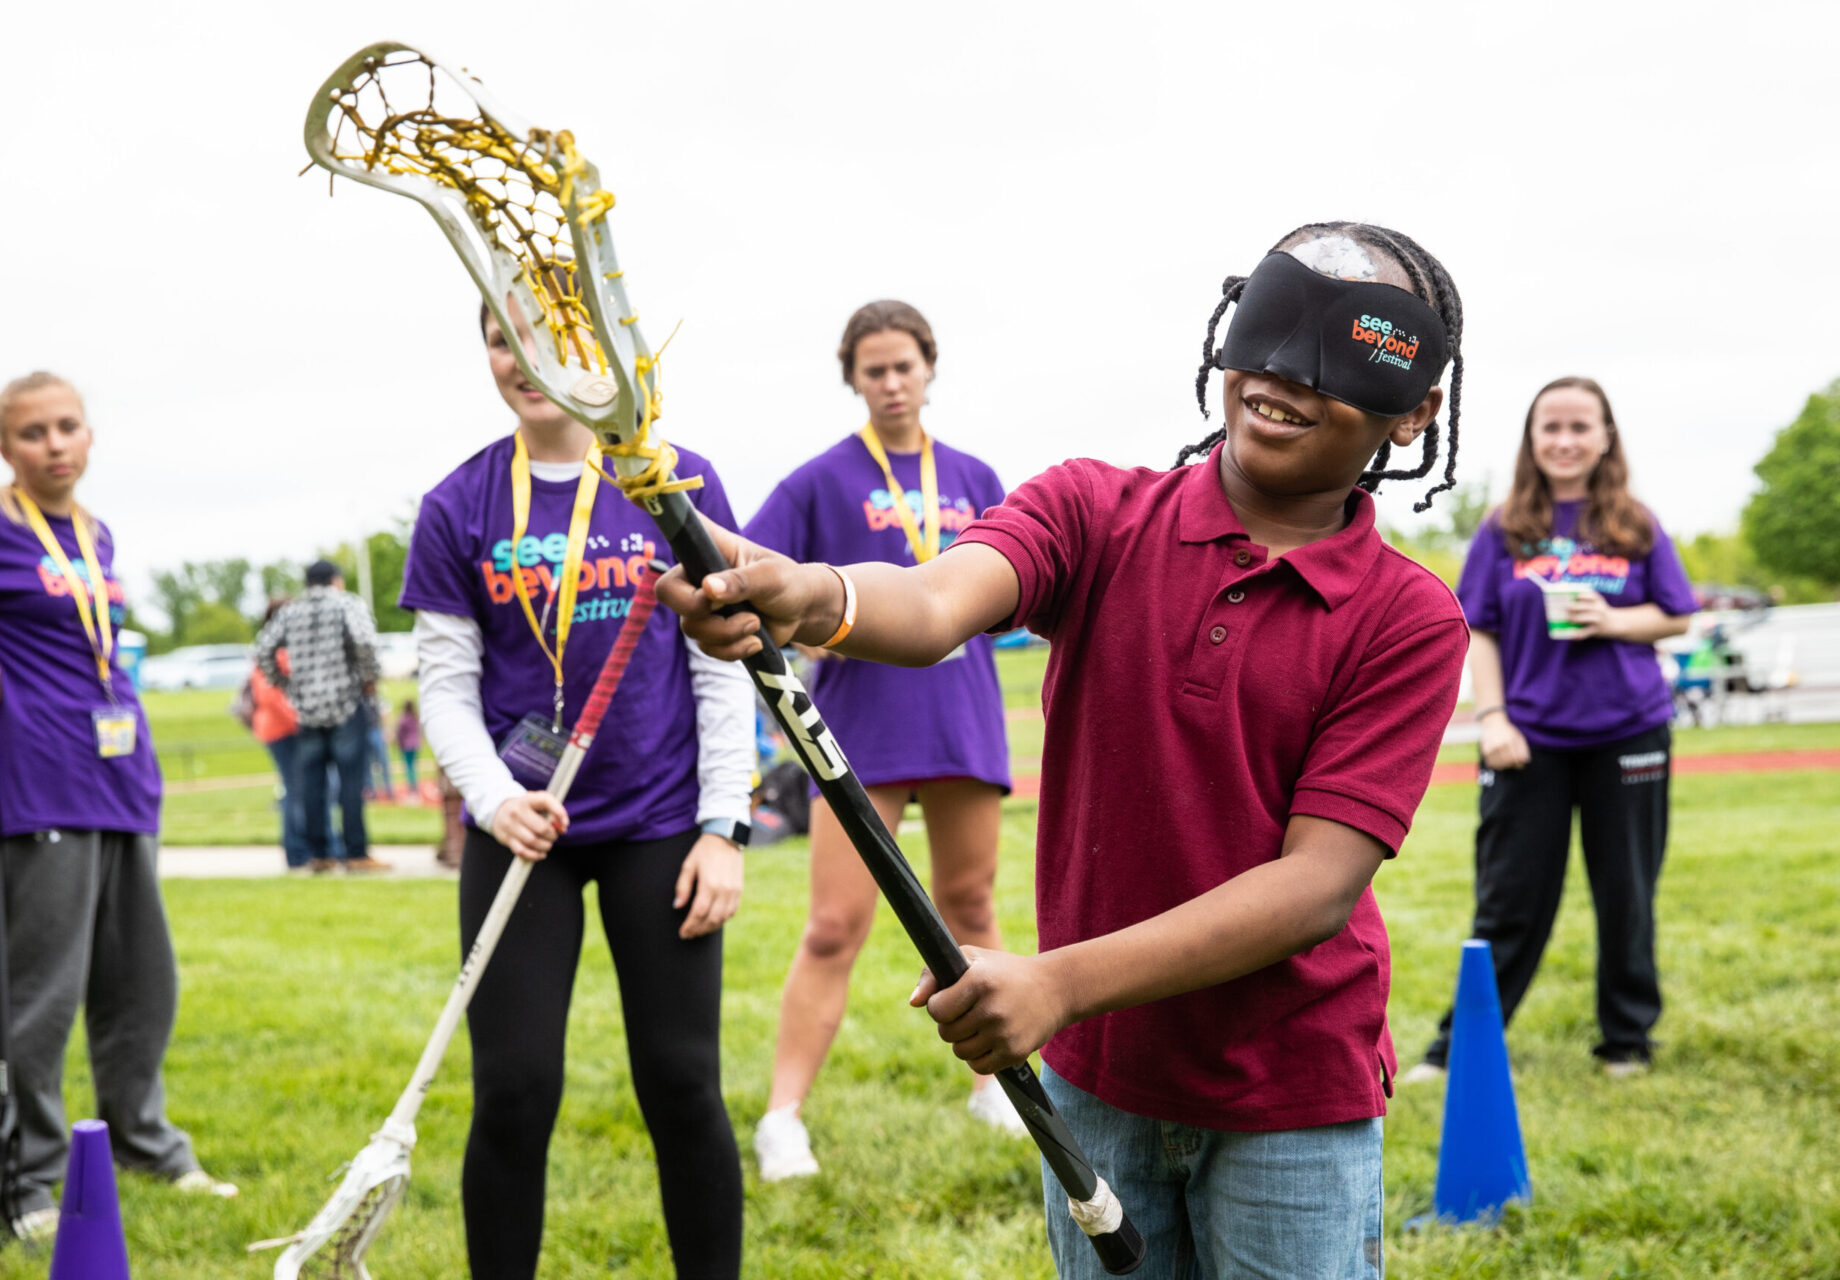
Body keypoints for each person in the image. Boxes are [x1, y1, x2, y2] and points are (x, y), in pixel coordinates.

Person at [662, 223, 1472, 1278]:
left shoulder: (1409, 617)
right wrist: (813, 594)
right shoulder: (1094, 510)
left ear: (1416, 413)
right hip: (1101, 1086)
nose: (1284, 377)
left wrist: (1056, 983)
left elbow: (1316, 886)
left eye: (1344, 357)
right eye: (1268, 335)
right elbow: (937, 597)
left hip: (1291, 1098)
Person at [399, 298, 757, 1279]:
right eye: (501, 338)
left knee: (683, 1081)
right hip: (523, 832)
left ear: (598, 345)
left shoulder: (672, 480)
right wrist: (489, 799)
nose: (526, 360)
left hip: (659, 829)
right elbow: (444, 685)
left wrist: (724, 827)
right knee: (513, 1088)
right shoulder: (457, 504)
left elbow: (726, 666)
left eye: (554, 337)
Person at [0, 371, 236, 1243]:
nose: (54, 445)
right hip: (37, 784)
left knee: (143, 981)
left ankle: (143, 1143)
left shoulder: (94, 534)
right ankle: (21, 1180)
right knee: (40, 997)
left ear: (90, 436)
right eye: (33, 433)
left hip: (121, 780)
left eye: (68, 427)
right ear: (4, 448)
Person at [743, 299, 1021, 1182]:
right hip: (858, 728)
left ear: (929, 368)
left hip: (963, 717)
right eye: (874, 370)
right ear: (853, 379)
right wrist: (810, 632)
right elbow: (752, 585)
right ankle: (782, 1117)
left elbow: (1027, 592)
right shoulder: (820, 480)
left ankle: (999, 1088)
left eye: (905, 365)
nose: (892, 383)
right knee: (833, 928)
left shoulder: (976, 476)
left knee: (971, 912)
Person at [1407, 377, 1693, 1084]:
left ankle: (1626, 1042)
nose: (1565, 441)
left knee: (1627, 894)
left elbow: (1677, 614)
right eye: (1551, 428)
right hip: (1526, 738)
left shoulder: (1637, 523)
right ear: (1533, 440)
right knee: (1508, 900)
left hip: (1629, 733)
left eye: (1580, 427)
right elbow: (1479, 629)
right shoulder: (1505, 525)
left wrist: (1616, 620)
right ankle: (1460, 1047)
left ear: (1605, 437)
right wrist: (1494, 718)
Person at [251, 560, 389, 873]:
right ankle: (355, 853)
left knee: (312, 787)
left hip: (308, 710)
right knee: (351, 784)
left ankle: (320, 855)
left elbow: (263, 650)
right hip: (345, 704)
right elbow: (366, 641)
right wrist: (367, 678)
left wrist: (288, 685)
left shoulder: (291, 612)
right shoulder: (347, 605)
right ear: (335, 580)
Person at [363, 691, 395, 801]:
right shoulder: (361, 699)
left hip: (375, 730)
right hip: (365, 732)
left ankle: (389, 790)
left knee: (383, 762)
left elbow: (385, 713)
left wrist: (387, 731)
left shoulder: (375, 698)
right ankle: (370, 790)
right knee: (367, 764)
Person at [393, 698, 422, 797]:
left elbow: (400, 733)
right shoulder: (415, 718)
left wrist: (399, 744)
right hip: (415, 745)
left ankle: (412, 787)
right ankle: (414, 786)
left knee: (409, 767)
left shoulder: (403, 719)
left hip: (407, 746)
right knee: (412, 765)